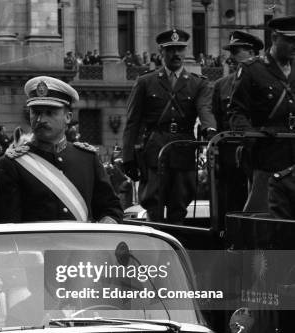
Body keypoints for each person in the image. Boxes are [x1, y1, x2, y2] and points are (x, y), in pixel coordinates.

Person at [0, 76, 122, 223]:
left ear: (68, 117)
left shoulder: (87, 158)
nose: (41, 119)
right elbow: (7, 225)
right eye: (36, 112)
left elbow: (111, 208)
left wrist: (108, 221)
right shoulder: (12, 164)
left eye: (50, 112)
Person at [121, 29, 216, 224]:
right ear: (161, 52)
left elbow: (204, 109)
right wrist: (128, 156)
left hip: (184, 149)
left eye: (180, 49)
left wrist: (209, 129)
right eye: (171, 49)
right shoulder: (146, 82)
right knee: (153, 204)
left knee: (179, 205)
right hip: (155, 149)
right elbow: (133, 121)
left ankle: (174, 248)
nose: (177, 54)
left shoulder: (198, 84)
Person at [229, 16, 295, 213]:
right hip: (268, 157)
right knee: (264, 217)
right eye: (290, 40)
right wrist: (253, 140)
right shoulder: (252, 69)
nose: (294, 45)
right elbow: (236, 112)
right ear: (274, 38)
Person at [212, 31, 263, 213]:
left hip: (259, 152)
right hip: (230, 155)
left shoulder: (266, 81)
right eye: (230, 52)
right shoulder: (221, 85)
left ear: (252, 53)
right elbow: (217, 120)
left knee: (259, 205)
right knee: (231, 203)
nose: (231, 57)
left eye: (236, 51)